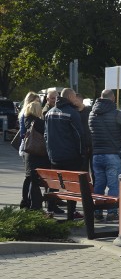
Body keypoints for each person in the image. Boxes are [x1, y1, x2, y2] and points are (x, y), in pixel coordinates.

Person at [88, 89, 121, 222]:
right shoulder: (117, 114)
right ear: (113, 98)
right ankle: (112, 212)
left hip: (96, 155)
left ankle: (98, 212)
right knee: (113, 184)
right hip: (113, 154)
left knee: (99, 183)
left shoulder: (91, 114)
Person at [44, 88, 87, 219]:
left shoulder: (49, 113)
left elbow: (46, 136)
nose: (76, 99)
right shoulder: (72, 113)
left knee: (54, 184)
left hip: (54, 157)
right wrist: (82, 153)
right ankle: (72, 212)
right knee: (72, 186)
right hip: (71, 157)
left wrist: (50, 152)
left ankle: (50, 211)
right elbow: (79, 136)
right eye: (74, 97)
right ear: (69, 97)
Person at [21, 101, 50, 212]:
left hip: (29, 154)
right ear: (37, 110)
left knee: (31, 180)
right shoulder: (39, 122)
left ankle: (29, 204)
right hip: (38, 155)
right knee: (36, 182)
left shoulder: (26, 120)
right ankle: (37, 206)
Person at [74, 93, 92, 173]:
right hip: (80, 146)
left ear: (81, 100)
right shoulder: (73, 112)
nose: (73, 102)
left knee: (94, 171)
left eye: (75, 100)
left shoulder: (90, 111)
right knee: (82, 170)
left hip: (91, 145)